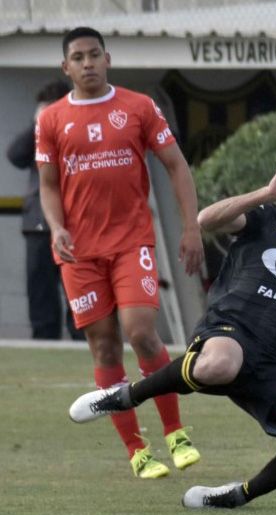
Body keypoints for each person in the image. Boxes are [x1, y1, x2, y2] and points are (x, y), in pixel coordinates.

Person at [69, 154, 276, 509]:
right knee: (222, 363)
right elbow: (206, 220)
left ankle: (236, 495)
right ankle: (123, 397)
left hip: (271, 362)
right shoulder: (263, 219)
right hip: (228, 332)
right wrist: (266, 192)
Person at [36, 27, 204, 479]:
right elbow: (48, 186)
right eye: (78, 57)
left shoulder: (138, 107)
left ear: (107, 59)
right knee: (105, 347)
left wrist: (192, 228)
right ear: (65, 66)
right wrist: (56, 229)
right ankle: (137, 449)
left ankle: (176, 432)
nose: (87, 63)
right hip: (79, 254)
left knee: (141, 333)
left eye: (94, 55)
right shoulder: (51, 119)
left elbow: (176, 165)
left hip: (132, 242)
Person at [6, 80, 83, 341]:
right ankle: (44, 341)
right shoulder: (38, 134)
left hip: (78, 223)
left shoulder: (78, 130)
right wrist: (37, 123)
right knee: (40, 293)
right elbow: (15, 155)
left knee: (80, 293)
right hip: (38, 224)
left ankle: (83, 342)